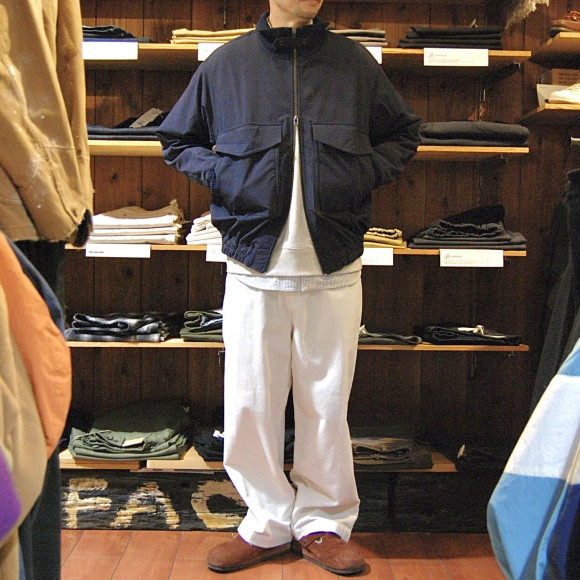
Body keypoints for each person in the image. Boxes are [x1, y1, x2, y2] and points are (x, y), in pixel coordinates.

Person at [157, 0, 420, 574]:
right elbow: (176, 139)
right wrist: (225, 173)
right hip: (253, 264)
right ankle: (267, 522)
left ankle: (324, 523)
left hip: (335, 263)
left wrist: (360, 173)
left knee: (326, 403)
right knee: (251, 402)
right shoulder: (227, 65)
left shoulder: (354, 63)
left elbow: (404, 133)